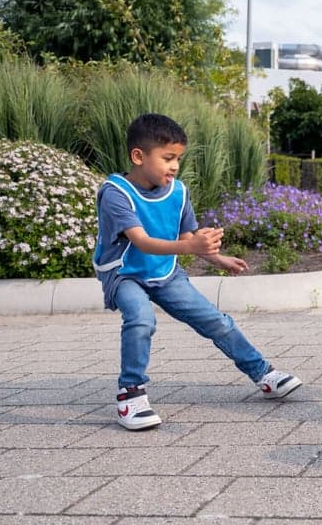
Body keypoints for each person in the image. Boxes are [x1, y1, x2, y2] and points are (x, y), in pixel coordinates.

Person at [93, 112, 302, 431]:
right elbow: (142, 242)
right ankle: (130, 395)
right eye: (167, 158)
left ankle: (264, 374)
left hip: (165, 271)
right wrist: (192, 248)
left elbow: (188, 238)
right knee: (140, 319)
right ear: (138, 156)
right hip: (124, 273)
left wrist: (218, 258)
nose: (175, 165)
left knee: (215, 321)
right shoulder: (115, 193)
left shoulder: (177, 192)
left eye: (178, 158)